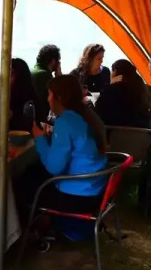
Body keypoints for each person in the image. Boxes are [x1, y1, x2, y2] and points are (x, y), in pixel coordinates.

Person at [14, 75, 108, 215]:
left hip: (76, 197)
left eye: (49, 94)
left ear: (58, 97)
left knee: (21, 184)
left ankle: (26, 227)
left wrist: (40, 138)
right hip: (96, 189)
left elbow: (54, 168)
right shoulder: (87, 115)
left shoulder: (65, 122)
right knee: (33, 173)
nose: (47, 99)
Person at [95, 59, 151, 128]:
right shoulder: (141, 89)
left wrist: (110, 86)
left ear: (115, 71)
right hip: (143, 132)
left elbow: (99, 112)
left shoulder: (112, 90)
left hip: (115, 132)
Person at [31, 45, 62, 123]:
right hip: (41, 120)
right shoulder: (45, 75)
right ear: (53, 61)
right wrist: (59, 77)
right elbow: (60, 98)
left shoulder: (31, 71)